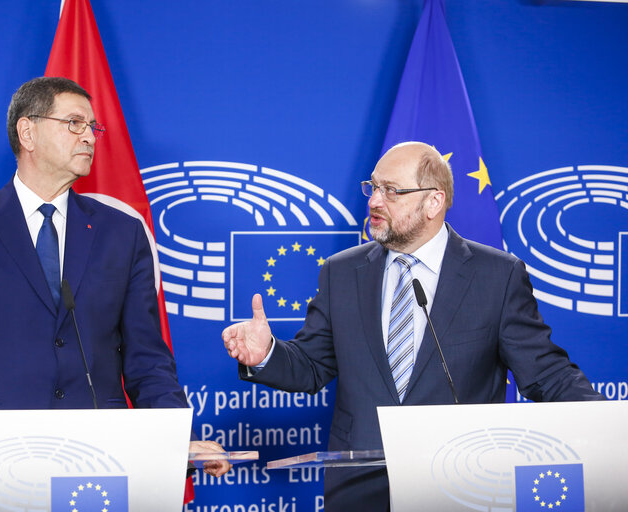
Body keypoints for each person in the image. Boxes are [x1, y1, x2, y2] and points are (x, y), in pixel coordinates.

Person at [0, 77, 229, 481]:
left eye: (92, 127)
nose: (89, 136)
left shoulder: (122, 233)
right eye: (74, 123)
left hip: (100, 461)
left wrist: (180, 439)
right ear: (27, 131)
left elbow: (148, 361)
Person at [222, 141, 603, 511]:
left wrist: (610, 427)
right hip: (359, 489)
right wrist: (267, 353)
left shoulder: (497, 276)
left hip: (461, 485)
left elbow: (546, 373)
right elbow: (311, 366)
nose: (373, 201)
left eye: (391, 191)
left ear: (433, 202)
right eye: (372, 187)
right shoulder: (341, 272)